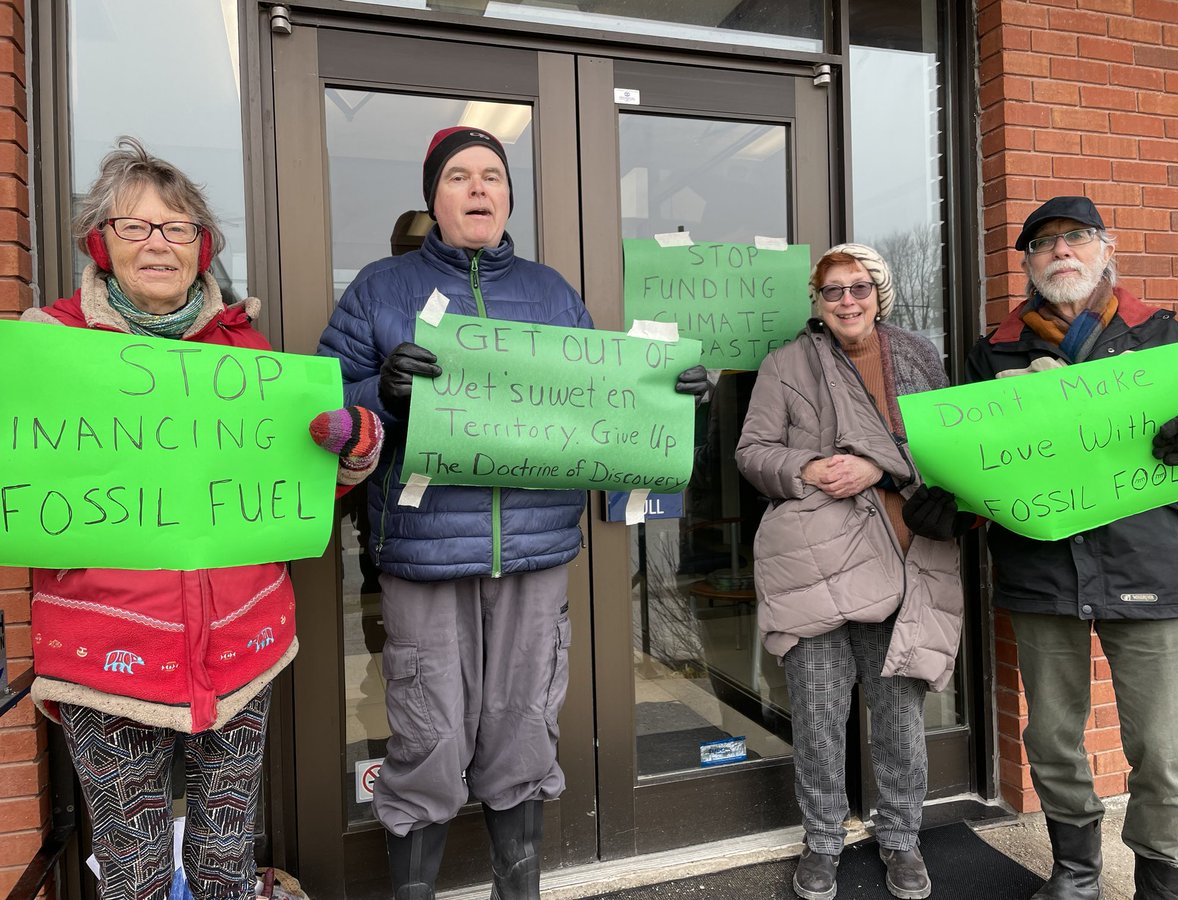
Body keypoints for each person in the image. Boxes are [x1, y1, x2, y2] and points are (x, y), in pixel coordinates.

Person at [317, 126, 707, 900]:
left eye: (492, 175)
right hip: (425, 551)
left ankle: (517, 888)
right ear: (433, 197)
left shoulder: (553, 291)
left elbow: (603, 410)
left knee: (524, 722)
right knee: (427, 730)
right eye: (459, 176)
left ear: (508, 196)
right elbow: (322, 410)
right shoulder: (378, 289)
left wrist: (670, 398)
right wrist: (378, 393)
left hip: (534, 550)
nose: (478, 188)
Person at [21, 137, 383, 900]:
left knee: (226, 860)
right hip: (107, 656)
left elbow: (302, 489)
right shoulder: (46, 349)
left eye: (178, 228)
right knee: (135, 872)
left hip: (240, 649)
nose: (159, 243)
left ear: (203, 248)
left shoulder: (246, 354)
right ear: (101, 243)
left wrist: (354, 449)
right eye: (135, 226)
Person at [905, 196, 1178, 900]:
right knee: (1054, 738)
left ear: (1105, 248)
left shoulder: (1160, 336)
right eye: (1043, 245)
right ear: (1030, 265)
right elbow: (977, 460)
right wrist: (952, 503)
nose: (1060, 252)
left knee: (1160, 747)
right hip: (1040, 566)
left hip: (1147, 561)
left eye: (1075, 238)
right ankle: (1076, 871)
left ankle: (1166, 877)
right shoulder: (994, 351)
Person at [735, 243, 963, 900]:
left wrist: (877, 464)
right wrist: (806, 469)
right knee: (818, 712)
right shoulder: (786, 365)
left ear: (879, 292)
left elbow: (953, 446)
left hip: (904, 561)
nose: (846, 301)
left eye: (858, 287)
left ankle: (900, 837)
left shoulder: (920, 358)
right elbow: (752, 453)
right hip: (816, 563)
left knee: (898, 716)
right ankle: (823, 840)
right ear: (819, 300)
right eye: (832, 291)